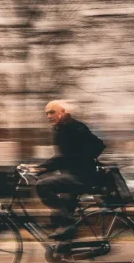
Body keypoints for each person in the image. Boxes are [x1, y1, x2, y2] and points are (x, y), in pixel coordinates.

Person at [34, 100, 105, 240]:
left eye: (52, 112)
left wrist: (42, 168)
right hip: (71, 175)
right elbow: (63, 157)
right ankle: (63, 253)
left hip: (81, 176)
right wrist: (43, 167)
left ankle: (68, 223)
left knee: (42, 186)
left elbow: (66, 156)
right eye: (46, 113)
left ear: (62, 112)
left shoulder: (73, 127)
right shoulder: (61, 128)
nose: (48, 116)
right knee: (60, 216)